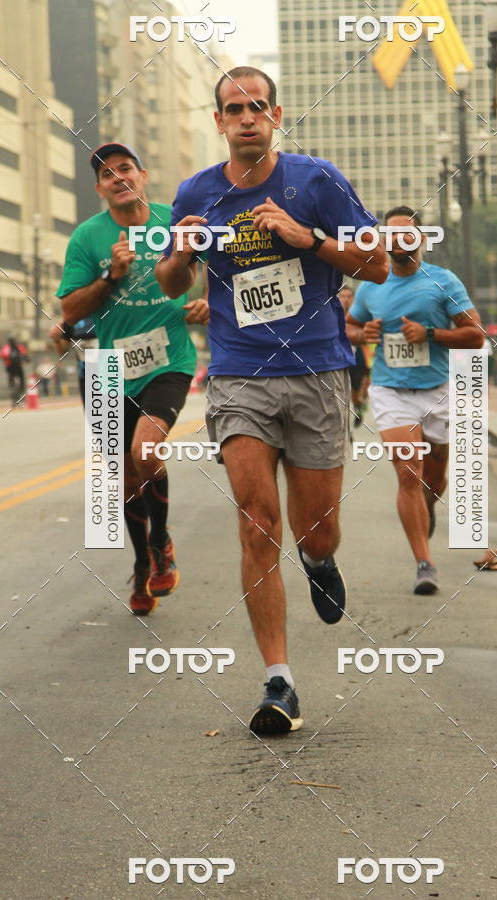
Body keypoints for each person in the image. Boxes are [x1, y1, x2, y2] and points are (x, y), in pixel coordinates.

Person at [156, 66, 388, 735]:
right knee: (258, 521)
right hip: (238, 377)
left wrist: (307, 238)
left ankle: (319, 559)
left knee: (315, 527)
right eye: (235, 108)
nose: (248, 117)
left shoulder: (316, 182)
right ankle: (279, 680)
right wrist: (181, 250)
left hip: (317, 373)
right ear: (220, 121)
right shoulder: (197, 192)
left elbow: (373, 265)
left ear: (277, 115)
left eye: (258, 106)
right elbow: (172, 283)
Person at [57, 142, 206, 615]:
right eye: (107, 173)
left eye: (126, 168)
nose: (118, 177)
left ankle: (161, 540)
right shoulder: (87, 237)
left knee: (146, 452)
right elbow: (69, 311)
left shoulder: (171, 222)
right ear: (99, 188)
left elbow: (216, 275)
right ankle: (143, 565)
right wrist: (110, 276)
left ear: (143, 175)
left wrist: (209, 306)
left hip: (168, 359)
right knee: (121, 481)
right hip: (107, 369)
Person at [346, 206, 484, 595]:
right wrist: (362, 333)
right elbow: (350, 325)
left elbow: (476, 336)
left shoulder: (442, 281)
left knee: (433, 481)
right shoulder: (371, 284)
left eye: (406, 234)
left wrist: (430, 335)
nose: (397, 241)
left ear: (420, 239)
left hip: (438, 390)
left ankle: (428, 505)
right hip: (391, 392)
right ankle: (425, 563)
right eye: (390, 235)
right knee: (408, 473)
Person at [338, 286, 370, 428]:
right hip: (338, 359)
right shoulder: (332, 314)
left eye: (349, 296)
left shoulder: (359, 317)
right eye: (343, 296)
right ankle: (344, 426)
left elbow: (366, 341)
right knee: (340, 394)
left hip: (357, 358)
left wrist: (369, 364)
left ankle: (358, 407)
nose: (345, 299)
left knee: (356, 395)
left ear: (353, 299)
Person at [49, 315, 98, 405]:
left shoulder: (106, 311)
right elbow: (63, 350)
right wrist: (56, 340)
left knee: (115, 414)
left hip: (110, 370)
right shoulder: (72, 318)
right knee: (95, 415)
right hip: (86, 373)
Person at [0, 336, 28, 404]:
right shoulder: (6, 348)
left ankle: (18, 391)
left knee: (20, 380)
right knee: (14, 380)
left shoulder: (18, 347)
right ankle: (13, 391)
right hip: (11, 367)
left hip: (16, 366)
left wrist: (26, 359)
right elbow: (3, 355)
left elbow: (24, 354)